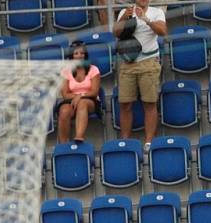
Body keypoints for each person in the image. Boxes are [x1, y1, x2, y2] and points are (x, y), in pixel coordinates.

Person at [114, 0, 167, 151]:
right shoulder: (125, 11)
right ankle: (125, 141)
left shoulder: (157, 12)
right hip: (127, 62)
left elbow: (163, 31)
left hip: (149, 61)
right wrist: (125, 17)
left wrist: (146, 19)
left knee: (149, 103)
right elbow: (116, 33)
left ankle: (149, 141)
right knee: (125, 103)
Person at [57, 43, 101, 144]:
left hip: (91, 100)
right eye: (76, 53)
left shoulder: (93, 69)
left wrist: (81, 96)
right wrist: (76, 96)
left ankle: (79, 137)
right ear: (71, 56)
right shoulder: (66, 71)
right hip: (71, 100)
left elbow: (94, 92)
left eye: (82, 53)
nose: (79, 55)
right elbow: (65, 94)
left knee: (83, 103)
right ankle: (63, 144)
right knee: (64, 110)